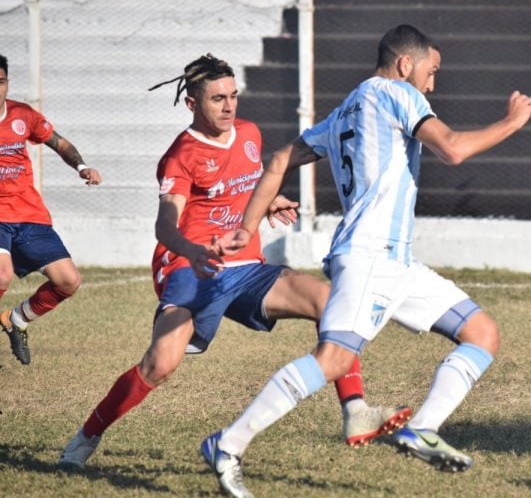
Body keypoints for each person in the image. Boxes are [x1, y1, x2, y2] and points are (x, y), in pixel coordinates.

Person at [200, 24, 531, 496]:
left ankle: (422, 428)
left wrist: (246, 228)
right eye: (431, 71)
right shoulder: (398, 93)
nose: (432, 84)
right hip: (369, 257)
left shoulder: (346, 110)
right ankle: (228, 443)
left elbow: (276, 161)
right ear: (406, 65)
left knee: (482, 333)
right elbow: (453, 149)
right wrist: (512, 123)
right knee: (333, 359)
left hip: (396, 262)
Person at [58, 54, 411, 471]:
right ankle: (87, 436)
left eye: (233, 96)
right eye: (217, 99)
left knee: (331, 300)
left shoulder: (248, 133)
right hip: (190, 267)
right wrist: (192, 251)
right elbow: (165, 225)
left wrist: (267, 204)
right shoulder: (180, 156)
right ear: (192, 105)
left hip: (244, 266)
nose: (229, 107)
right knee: (160, 364)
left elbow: (242, 185)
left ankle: (355, 410)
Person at [0, 54, 102, 365]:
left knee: (68, 281)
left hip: (30, 215)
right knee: (1, 276)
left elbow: (60, 144)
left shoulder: (22, 115)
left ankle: (15, 319)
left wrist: (82, 166)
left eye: (1, 82)